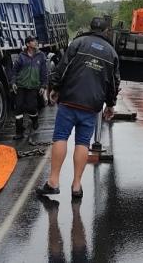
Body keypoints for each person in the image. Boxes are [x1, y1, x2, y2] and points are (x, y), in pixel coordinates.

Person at [36, 17, 120, 200]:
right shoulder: (111, 53)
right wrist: (111, 105)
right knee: (82, 143)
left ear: (90, 27)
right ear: (106, 31)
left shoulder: (78, 43)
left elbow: (62, 68)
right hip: (91, 106)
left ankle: (53, 182)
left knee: (60, 138)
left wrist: (55, 89)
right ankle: (76, 186)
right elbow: (114, 83)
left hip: (69, 101)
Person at [9, 36, 50, 140]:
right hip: (21, 86)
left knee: (32, 107)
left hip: (33, 86)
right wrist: (13, 82)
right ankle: (19, 132)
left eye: (35, 41)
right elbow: (14, 71)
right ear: (27, 44)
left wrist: (43, 86)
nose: (35, 42)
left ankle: (35, 120)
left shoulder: (41, 56)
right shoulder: (21, 57)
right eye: (32, 41)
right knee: (18, 108)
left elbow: (44, 72)